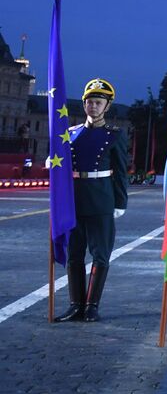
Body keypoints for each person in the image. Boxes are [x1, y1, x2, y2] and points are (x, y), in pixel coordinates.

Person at [55, 78, 129, 323]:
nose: (93, 106)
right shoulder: (71, 134)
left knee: (100, 255)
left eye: (99, 102)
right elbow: (62, 166)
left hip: (101, 200)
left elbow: (120, 172)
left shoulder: (115, 136)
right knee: (75, 254)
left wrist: (120, 202)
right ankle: (75, 305)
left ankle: (92, 306)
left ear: (107, 106)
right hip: (75, 201)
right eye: (89, 102)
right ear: (84, 104)